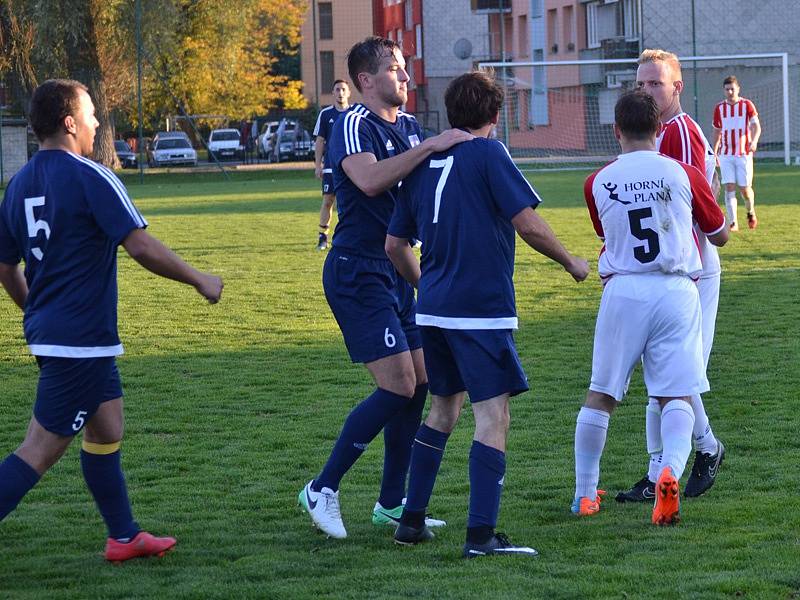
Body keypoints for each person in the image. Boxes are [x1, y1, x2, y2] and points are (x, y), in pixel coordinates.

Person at [0, 79, 223, 562]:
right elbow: (140, 245)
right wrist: (200, 279)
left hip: (64, 338)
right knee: (37, 451)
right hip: (79, 341)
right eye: (92, 115)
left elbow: (5, 267)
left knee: (107, 427)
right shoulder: (90, 176)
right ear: (69, 122)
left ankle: (123, 535)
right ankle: (122, 534)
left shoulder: (18, 184)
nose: (97, 123)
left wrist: (36, 312)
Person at [385, 71, 589, 557]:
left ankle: (410, 521)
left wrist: (428, 288)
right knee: (493, 415)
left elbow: (394, 245)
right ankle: (480, 537)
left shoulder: (424, 162)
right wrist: (571, 262)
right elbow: (527, 223)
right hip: (480, 312)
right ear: (495, 116)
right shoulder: (490, 154)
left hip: (432, 312)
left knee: (442, 409)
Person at [297, 37, 473, 539]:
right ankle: (322, 487)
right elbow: (370, 181)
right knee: (397, 384)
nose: (406, 77)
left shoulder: (412, 128)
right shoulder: (352, 123)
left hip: (398, 267)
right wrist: (432, 146)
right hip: (357, 271)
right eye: (396, 69)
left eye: (405, 67)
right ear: (367, 80)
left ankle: (391, 504)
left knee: (418, 383)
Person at [573, 90, 728, 526]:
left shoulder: (597, 181)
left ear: (616, 130)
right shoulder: (682, 173)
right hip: (677, 290)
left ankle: (586, 494)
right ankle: (667, 473)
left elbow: (609, 229)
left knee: (601, 394)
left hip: (623, 290)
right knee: (675, 394)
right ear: (659, 129)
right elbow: (719, 235)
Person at [614, 49, 727, 504]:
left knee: (675, 378)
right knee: (662, 378)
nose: (647, 91)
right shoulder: (656, 132)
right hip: (665, 271)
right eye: (641, 84)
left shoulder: (681, 133)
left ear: (677, 87)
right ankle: (660, 469)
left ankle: (704, 449)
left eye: (655, 84)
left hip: (690, 269)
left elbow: (697, 204)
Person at [712, 75, 761, 230]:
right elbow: (717, 132)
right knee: (729, 187)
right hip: (725, 154)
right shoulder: (719, 108)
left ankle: (750, 211)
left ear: (738, 89)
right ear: (724, 90)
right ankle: (733, 222)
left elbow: (756, 126)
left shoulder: (747, 105)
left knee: (745, 189)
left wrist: (753, 141)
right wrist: (714, 152)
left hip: (743, 153)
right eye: (727, 89)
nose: (730, 92)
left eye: (732, 89)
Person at [314, 80, 352, 250]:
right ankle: (323, 237)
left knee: (350, 202)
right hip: (331, 166)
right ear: (333, 93)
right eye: (337, 89)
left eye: (343, 89)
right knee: (328, 200)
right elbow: (320, 141)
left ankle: (349, 236)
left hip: (352, 167)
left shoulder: (355, 113)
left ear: (349, 92)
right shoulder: (326, 114)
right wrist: (317, 165)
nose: (340, 93)